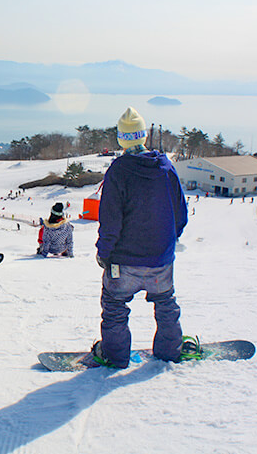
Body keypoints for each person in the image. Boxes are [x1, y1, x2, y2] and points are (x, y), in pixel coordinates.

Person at [85, 107, 190, 369]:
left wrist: (104, 252)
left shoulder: (119, 171)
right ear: (143, 136)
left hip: (124, 261)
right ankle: (169, 351)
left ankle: (116, 355)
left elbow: (110, 220)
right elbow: (180, 213)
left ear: (121, 139)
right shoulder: (165, 168)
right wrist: (168, 241)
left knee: (115, 307)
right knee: (165, 304)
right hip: (160, 259)